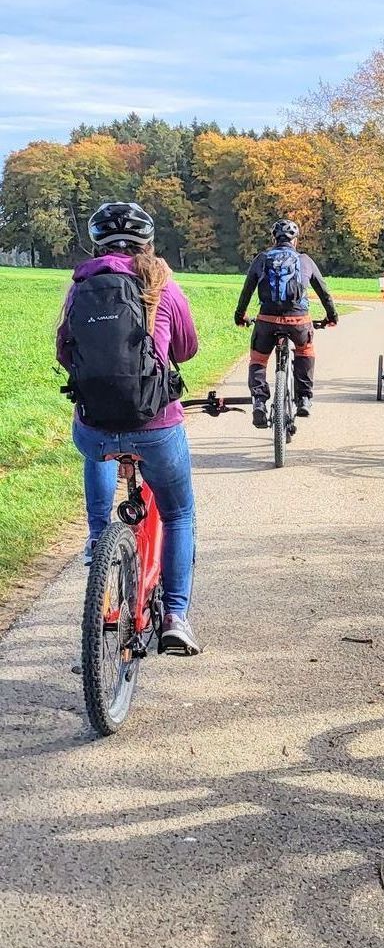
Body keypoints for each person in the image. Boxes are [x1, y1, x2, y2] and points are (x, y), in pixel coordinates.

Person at [57, 201, 201, 656]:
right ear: (148, 241)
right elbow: (188, 347)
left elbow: (66, 352)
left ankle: (99, 537)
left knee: (95, 443)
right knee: (178, 513)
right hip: (155, 423)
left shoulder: (81, 286)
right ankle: (176, 616)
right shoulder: (162, 284)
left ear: (97, 242)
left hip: (96, 425)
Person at [234, 220, 338, 427]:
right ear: (295, 240)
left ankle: (259, 402)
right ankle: (304, 399)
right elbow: (323, 291)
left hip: (267, 321)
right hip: (298, 321)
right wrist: (331, 316)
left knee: (259, 359)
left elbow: (247, 291)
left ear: (274, 239)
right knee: (305, 351)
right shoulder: (304, 260)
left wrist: (240, 316)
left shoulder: (262, 259)